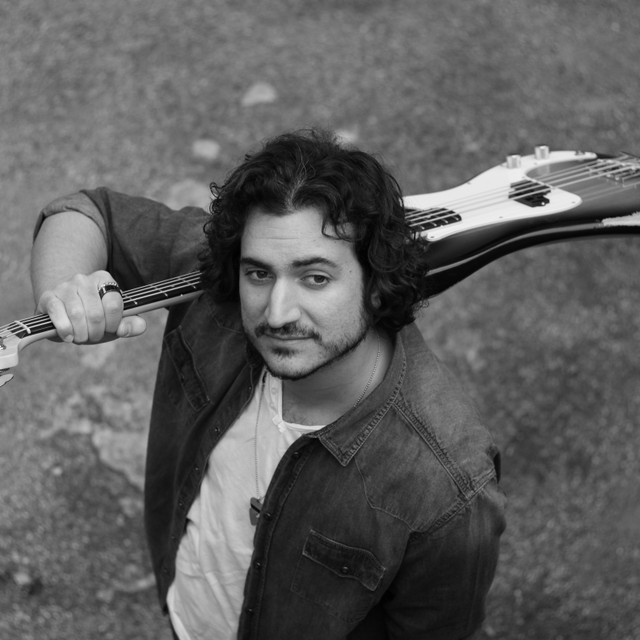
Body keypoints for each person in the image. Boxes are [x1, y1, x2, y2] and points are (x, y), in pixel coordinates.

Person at [31, 129, 505, 639]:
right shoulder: (216, 287)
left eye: (315, 278)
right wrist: (67, 293)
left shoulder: (446, 488)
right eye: (259, 274)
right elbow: (88, 213)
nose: (276, 314)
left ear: (375, 281)